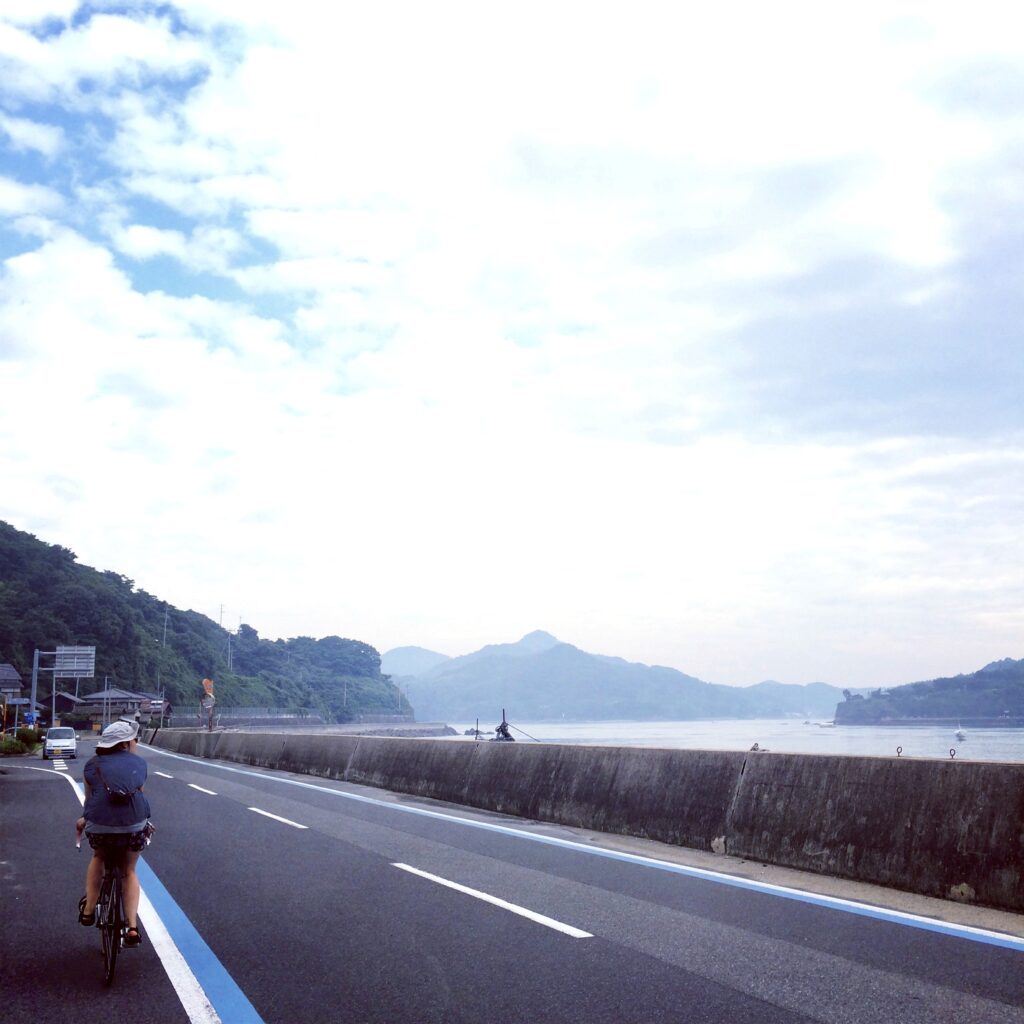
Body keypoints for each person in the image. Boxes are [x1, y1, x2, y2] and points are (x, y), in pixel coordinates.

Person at [76, 719, 153, 947]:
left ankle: (89, 909)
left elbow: (91, 800)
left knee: (99, 856)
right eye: (133, 740)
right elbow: (138, 794)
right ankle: (131, 927)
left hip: (99, 825)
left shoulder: (92, 765)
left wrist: (84, 819)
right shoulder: (139, 763)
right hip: (133, 826)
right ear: (125, 744)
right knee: (129, 871)